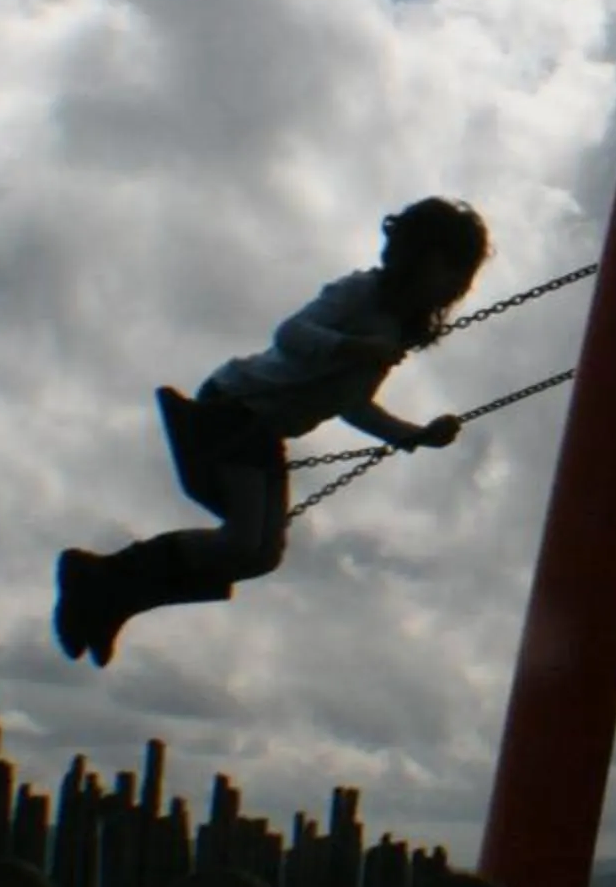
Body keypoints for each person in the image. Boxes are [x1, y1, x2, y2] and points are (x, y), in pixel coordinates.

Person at [54, 196, 491, 666]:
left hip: (264, 430)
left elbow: (351, 404)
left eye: (462, 275)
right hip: (236, 406)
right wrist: (351, 347)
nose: (456, 285)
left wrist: (414, 434)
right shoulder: (359, 295)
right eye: (451, 268)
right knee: (243, 541)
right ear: (419, 257)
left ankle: (118, 599)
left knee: (261, 556)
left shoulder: (393, 326)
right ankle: (98, 575)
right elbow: (292, 335)